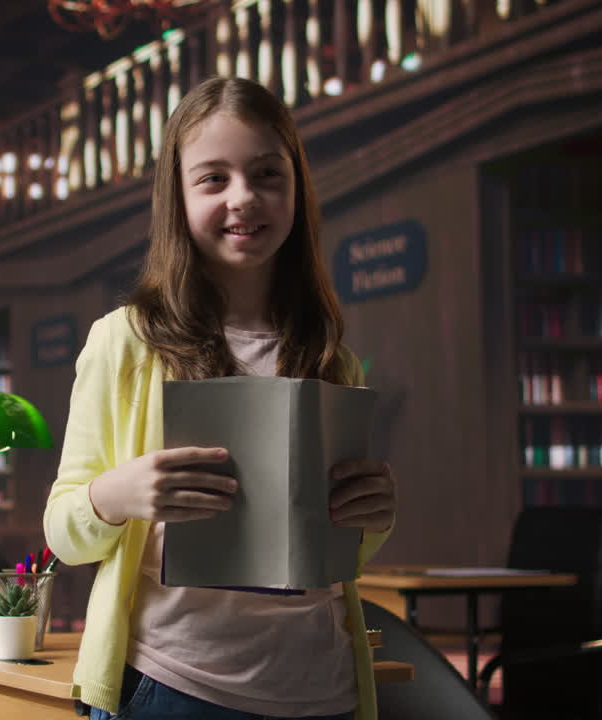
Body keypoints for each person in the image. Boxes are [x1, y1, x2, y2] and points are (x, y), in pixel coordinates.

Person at [43, 76, 397, 720]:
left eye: (267, 174)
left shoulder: (330, 356)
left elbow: (341, 550)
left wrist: (374, 515)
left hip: (326, 690)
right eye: (213, 178)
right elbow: (64, 532)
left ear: (296, 188)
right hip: (175, 687)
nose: (244, 197)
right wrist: (118, 495)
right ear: (176, 198)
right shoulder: (126, 341)